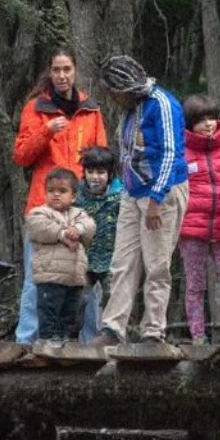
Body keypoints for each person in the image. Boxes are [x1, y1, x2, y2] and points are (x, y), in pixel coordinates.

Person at [90, 55, 189, 347]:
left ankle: (153, 331)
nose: (111, 98)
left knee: (157, 263)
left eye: (111, 92)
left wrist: (157, 199)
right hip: (132, 193)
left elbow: (171, 153)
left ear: (124, 89)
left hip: (162, 192)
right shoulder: (132, 109)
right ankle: (112, 327)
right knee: (122, 261)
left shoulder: (162, 104)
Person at [12, 46, 108, 345]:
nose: (62, 75)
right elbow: (21, 156)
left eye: (67, 69)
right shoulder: (35, 109)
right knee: (36, 277)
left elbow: (102, 157)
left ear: (75, 71)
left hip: (82, 207)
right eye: (57, 70)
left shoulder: (91, 110)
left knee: (88, 276)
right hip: (44, 206)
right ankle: (26, 343)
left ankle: (89, 341)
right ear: (49, 73)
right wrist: (46, 131)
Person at [178, 95, 220, 345]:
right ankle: (198, 338)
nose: (208, 124)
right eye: (200, 120)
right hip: (190, 233)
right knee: (195, 287)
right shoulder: (181, 153)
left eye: (211, 118)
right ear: (189, 124)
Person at [26, 168, 97, 346]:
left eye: (62, 191)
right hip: (49, 277)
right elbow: (38, 228)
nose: (56, 195)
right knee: (48, 310)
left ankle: (63, 340)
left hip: (74, 278)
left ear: (73, 196)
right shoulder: (40, 213)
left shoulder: (79, 214)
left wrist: (78, 230)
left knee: (69, 313)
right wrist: (64, 235)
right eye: (51, 190)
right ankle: (46, 340)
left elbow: (90, 226)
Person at [75, 146, 123, 341]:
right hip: (83, 258)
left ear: (110, 174)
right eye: (90, 172)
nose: (95, 177)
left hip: (112, 257)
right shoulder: (76, 196)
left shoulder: (120, 196)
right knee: (78, 299)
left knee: (113, 297)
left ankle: (113, 337)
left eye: (101, 172)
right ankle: (69, 337)